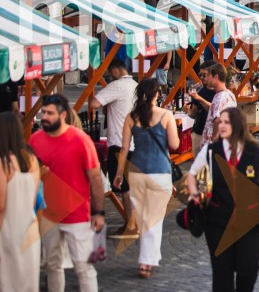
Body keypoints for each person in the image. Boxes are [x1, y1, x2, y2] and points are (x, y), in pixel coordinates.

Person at [186, 108, 259, 292]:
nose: (222, 125)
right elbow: (192, 175)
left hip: (249, 221)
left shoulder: (256, 153)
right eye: (221, 122)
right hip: (218, 222)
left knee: (248, 268)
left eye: (227, 122)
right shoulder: (210, 151)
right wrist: (195, 194)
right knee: (222, 273)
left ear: (238, 125)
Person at [30, 94, 105, 292]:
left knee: (83, 267)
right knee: (52, 265)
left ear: (63, 115)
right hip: (48, 215)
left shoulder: (81, 140)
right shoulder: (35, 140)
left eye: (49, 113)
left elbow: (96, 179)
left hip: (78, 215)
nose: (44, 117)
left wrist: (98, 212)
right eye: (43, 113)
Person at [113, 78, 180, 277]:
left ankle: (148, 258)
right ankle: (146, 261)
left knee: (144, 219)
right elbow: (175, 145)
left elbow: (124, 148)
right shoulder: (166, 115)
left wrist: (118, 174)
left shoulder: (131, 117)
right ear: (157, 94)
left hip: (137, 172)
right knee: (154, 218)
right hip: (160, 172)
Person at [88, 58, 138, 238]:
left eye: (109, 73)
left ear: (115, 71)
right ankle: (130, 222)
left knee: (124, 186)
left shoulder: (116, 86)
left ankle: (131, 226)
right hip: (132, 141)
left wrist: (105, 98)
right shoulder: (134, 84)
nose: (109, 76)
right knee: (128, 186)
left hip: (119, 141)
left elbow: (94, 103)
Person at [0, 111, 41, 292]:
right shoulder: (32, 160)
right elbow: (33, 199)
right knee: (28, 282)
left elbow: (1, 205)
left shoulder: (4, 163)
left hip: (8, 229)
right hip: (30, 228)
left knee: (8, 281)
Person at [187, 62, 217, 155]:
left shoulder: (219, 92)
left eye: (205, 75)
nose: (202, 77)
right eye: (200, 75)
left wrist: (199, 99)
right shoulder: (199, 90)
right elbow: (193, 114)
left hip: (214, 135)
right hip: (199, 133)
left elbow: (215, 111)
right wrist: (187, 110)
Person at [203, 63, 237, 144]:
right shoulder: (229, 94)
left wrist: (214, 141)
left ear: (216, 76)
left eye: (208, 76)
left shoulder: (220, 97)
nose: (206, 79)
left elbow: (217, 119)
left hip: (214, 146)